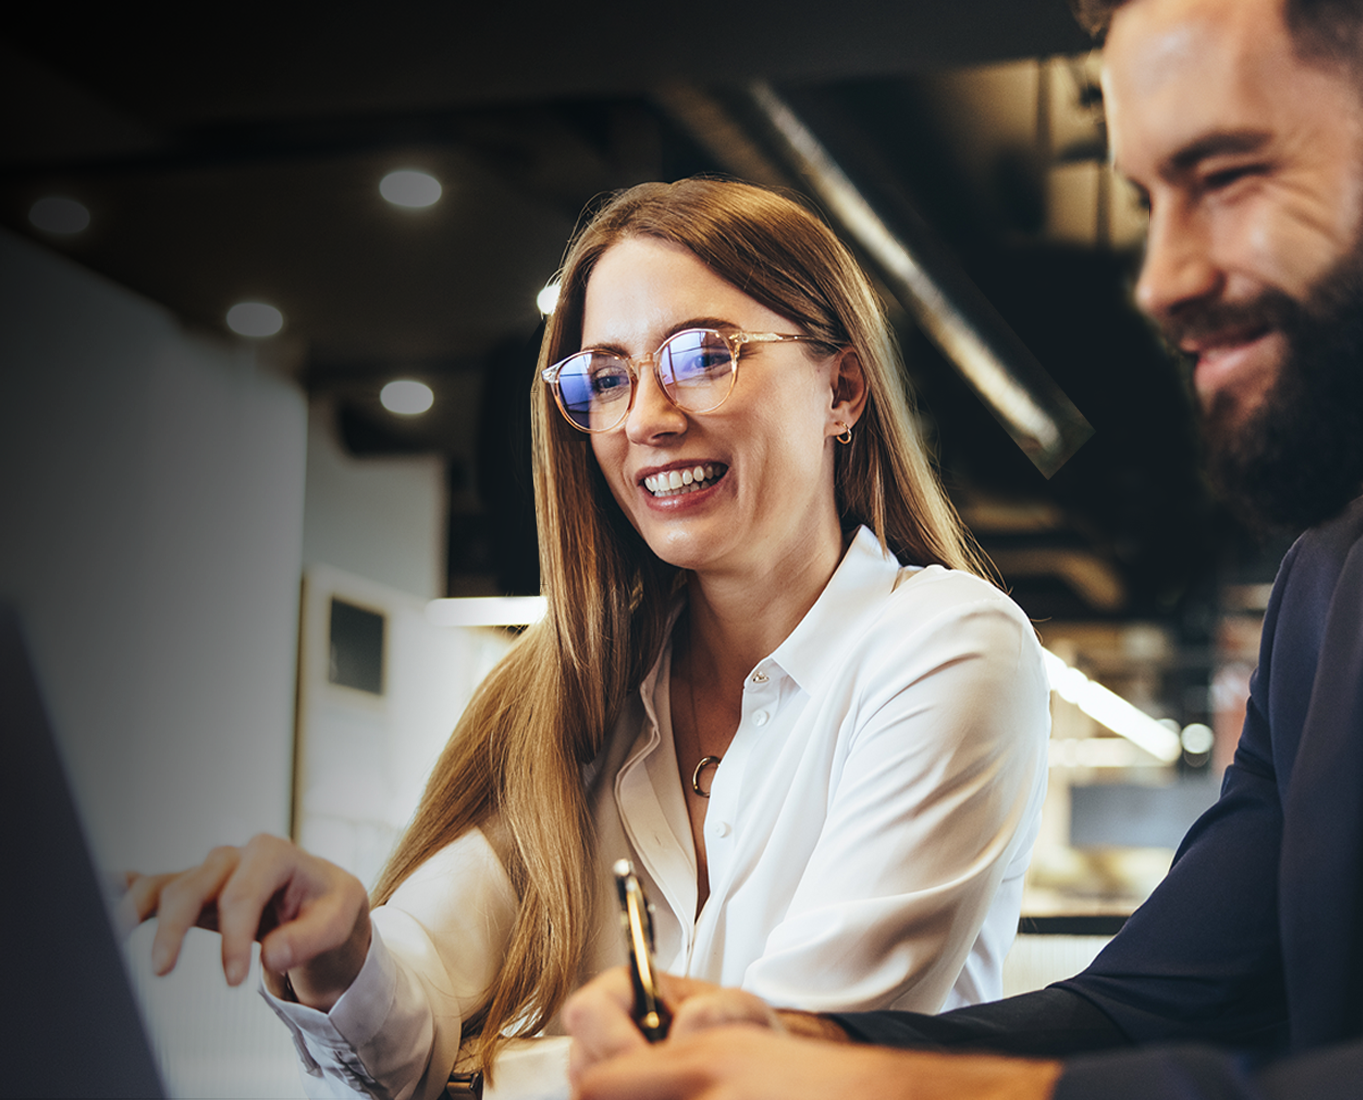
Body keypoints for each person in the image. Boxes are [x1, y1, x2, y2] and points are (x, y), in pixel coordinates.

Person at [562, 1, 1363, 1097]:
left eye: (1225, 177)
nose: (1162, 276)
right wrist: (802, 1041)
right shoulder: (1332, 574)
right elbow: (1155, 1003)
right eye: (1148, 200)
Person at [126, 178, 1053, 1099]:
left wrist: (498, 1076)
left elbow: (769, 1079)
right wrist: (342, 950)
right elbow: (413, 1007)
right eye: (605, 377)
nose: (645, 417)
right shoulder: (580, 689)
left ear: (841, 389)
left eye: (702, 355)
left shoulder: (947, 647)